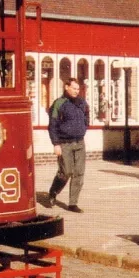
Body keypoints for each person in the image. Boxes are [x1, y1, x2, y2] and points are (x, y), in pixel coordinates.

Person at [47, 78, 89, 213]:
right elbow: (52, 126)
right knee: (66, 172)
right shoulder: (59, 103)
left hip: (80, 142)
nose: (77, 91)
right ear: (67, 87)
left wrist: (82, 128)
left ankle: (73, 203)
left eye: (78, 89)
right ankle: (53, 191)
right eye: (74, 88)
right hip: (64, 143)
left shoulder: (82, 102)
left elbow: (86, 118)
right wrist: (56, 144)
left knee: (79, 173)